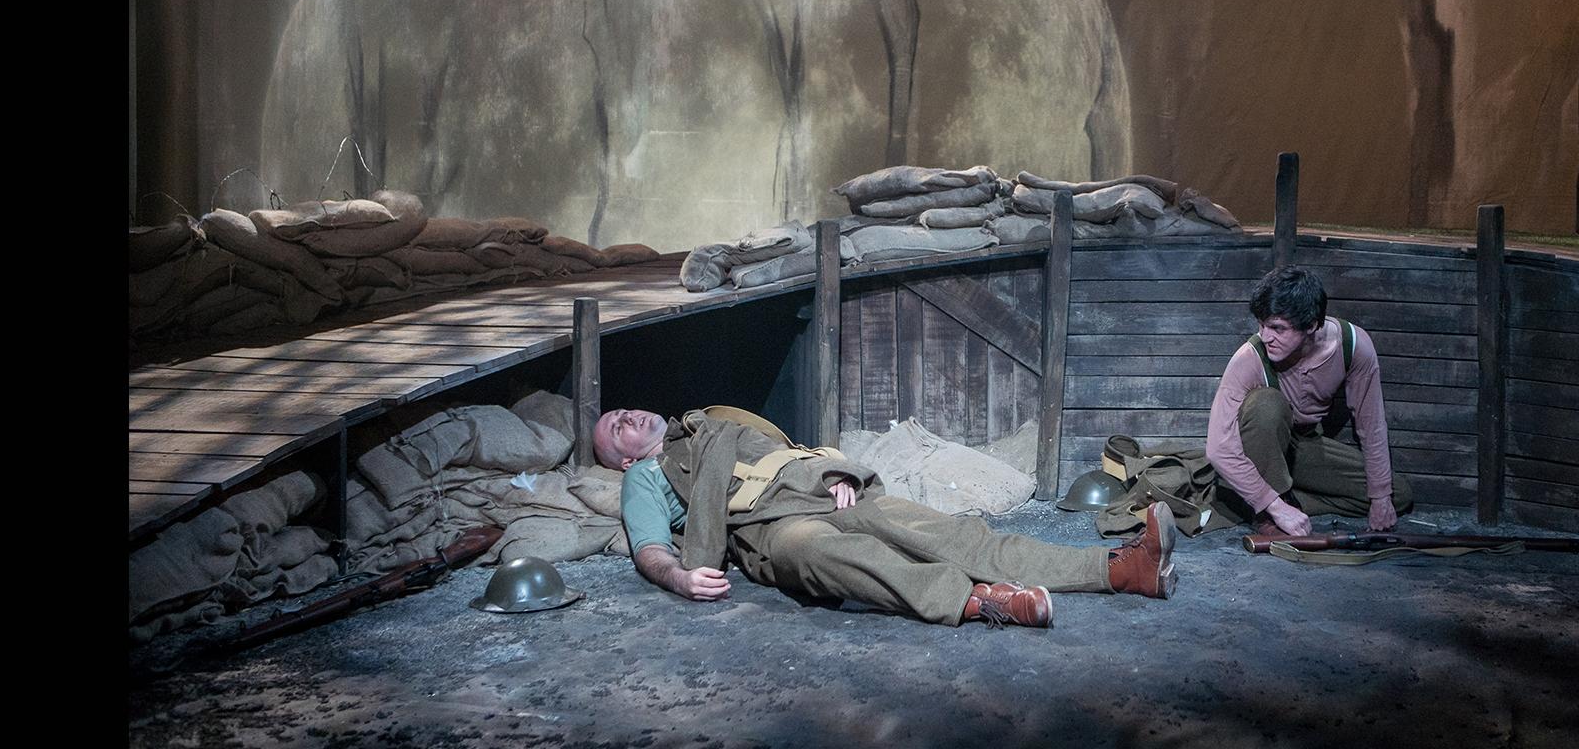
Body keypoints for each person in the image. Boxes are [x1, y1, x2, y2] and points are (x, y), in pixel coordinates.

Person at [594, 405, 1178, 628]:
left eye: (624, 410)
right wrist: (679, 576)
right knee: (829, 555)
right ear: (621, 460)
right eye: (615, 428)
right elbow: (650, 545)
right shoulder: (646, 477)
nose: (628, 417)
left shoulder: (719, 423)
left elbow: (797, 451)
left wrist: (841, 472)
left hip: (830, 489)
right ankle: (978, 601)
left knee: (949, 531)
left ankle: (1122, 568)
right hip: (769, 527)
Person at [1205, 266, 1413, 538]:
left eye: (1278, 328)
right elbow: (1218, 448)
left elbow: (1371, 424)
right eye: (1262, 325)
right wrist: (1274, 507)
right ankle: (1269, 510)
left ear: (1312, 325)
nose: (1266, 336)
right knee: (1266, 404)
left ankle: (1278, 500)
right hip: (1259, 447)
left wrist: (1381, 497)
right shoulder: (1250, 357)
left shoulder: (1354, 345)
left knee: (1396, 494)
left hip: (1303, 447)